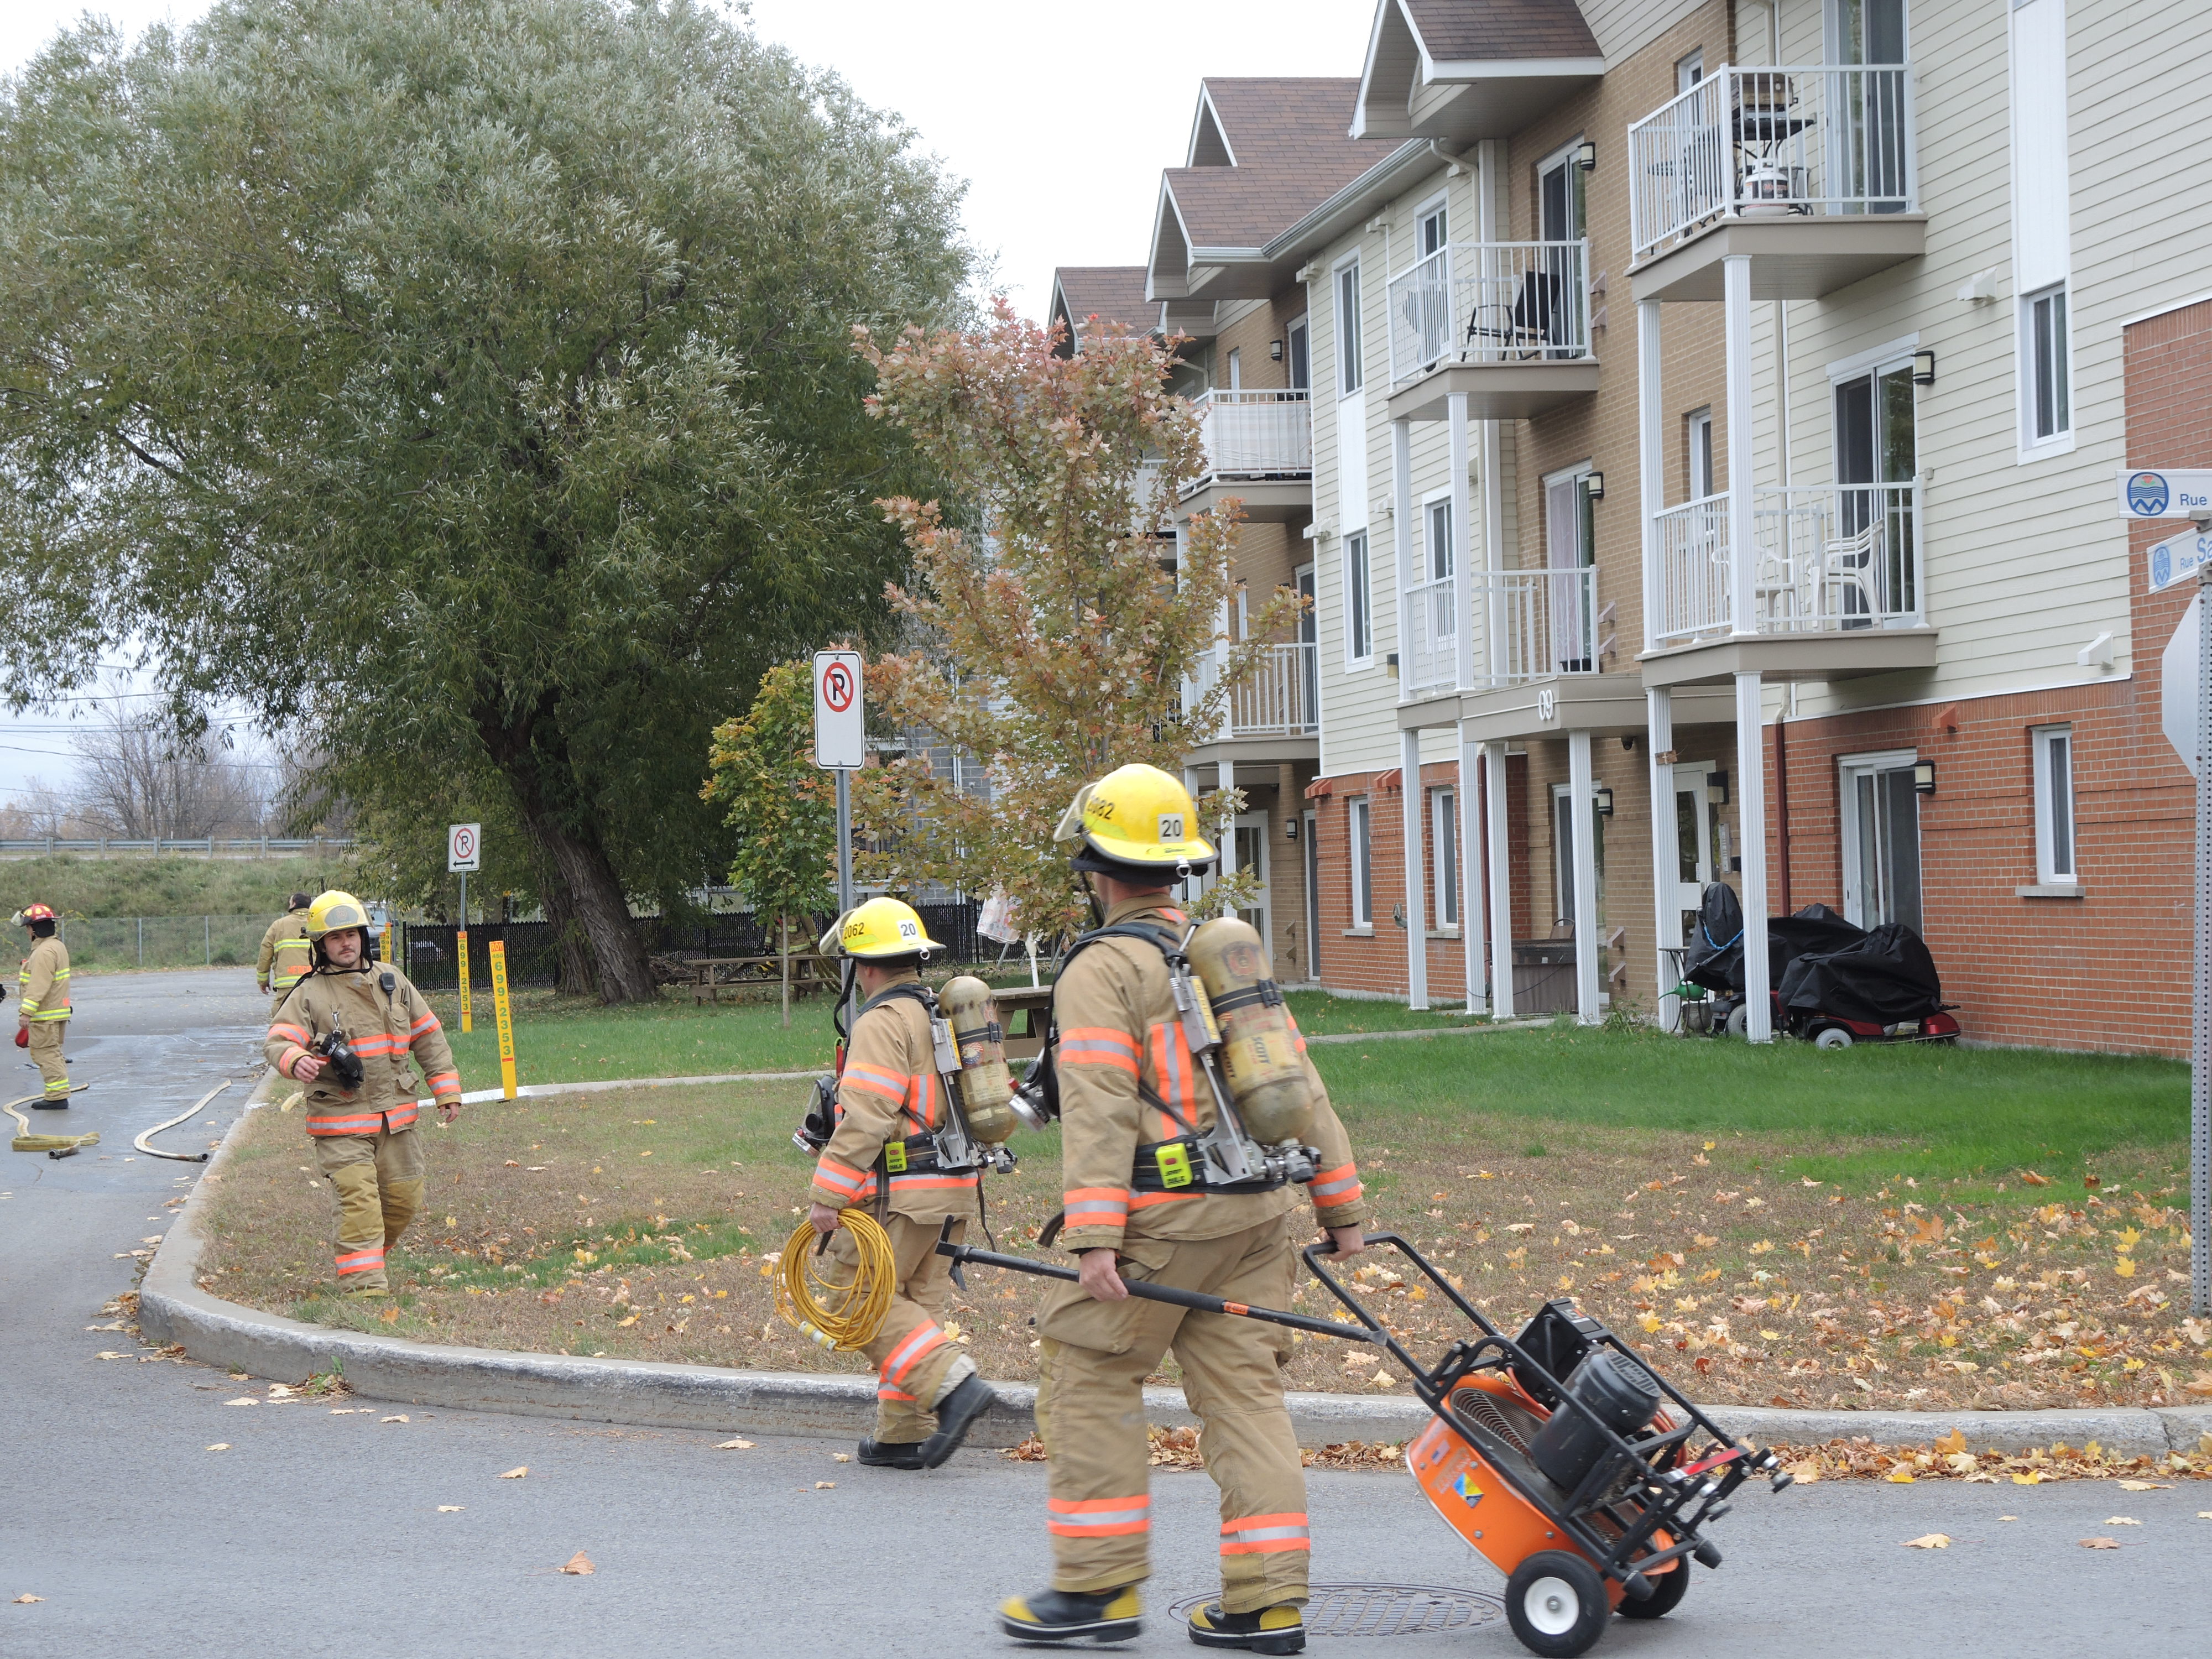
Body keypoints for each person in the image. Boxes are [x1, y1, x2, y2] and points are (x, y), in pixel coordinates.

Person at [998, 765, 1369, 1656]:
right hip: (1257, 1216)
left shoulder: (1101, 969)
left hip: (1162, 1223)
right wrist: (1342, 1205)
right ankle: (1267, 1604)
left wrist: (1095, 1236)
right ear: (1177, 870)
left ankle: (1097, 1589)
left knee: (1086, 1373)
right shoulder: (1221, 956)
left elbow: (1099, 1108)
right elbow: (1300, 1083)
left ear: (1097, 870)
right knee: (1245, 1398)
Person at [805, 896, 999, 1470]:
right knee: (913, 1305)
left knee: (855, 1299)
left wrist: (828, 1194)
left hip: (902, 1193)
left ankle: (954, 1386)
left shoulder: (882, 1021)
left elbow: (868, 1116)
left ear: (863, 966)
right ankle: (903, 1434)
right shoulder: (937, 1012)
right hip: (953, 1191)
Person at [264, 890, 462, 1296]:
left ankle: (370, 1259)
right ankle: (364, 1290)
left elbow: (428, 1036)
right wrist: (295, 1060)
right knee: (360, 1203)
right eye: (335, 937)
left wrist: (446, 1088)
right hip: (342, 1120)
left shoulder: (393, 981)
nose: (346, 943)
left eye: (351, 934)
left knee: (404, 1199)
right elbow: (279, 1040)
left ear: (362, 937)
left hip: (396, 1118)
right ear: (321, 945)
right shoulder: (308, 993)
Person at [17, 904, 74, 1107]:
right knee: (53, 1054)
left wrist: (26, 1012)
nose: (27, 932)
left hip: (45, 1015)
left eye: (28, 927)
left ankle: (57, 1098)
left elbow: (38, 985)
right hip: (56, 1012)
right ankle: (58, 1095)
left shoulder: (43, 952)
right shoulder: (57, 946)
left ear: (35, 929)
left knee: (45, 1054)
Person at [256, 891, 315, 1018]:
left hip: (287, 987)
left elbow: (265, 953)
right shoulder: (317, 923)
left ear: (293, 904)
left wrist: (263, 981)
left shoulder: (278, 925)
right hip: (315, 983)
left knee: (283, 1023)